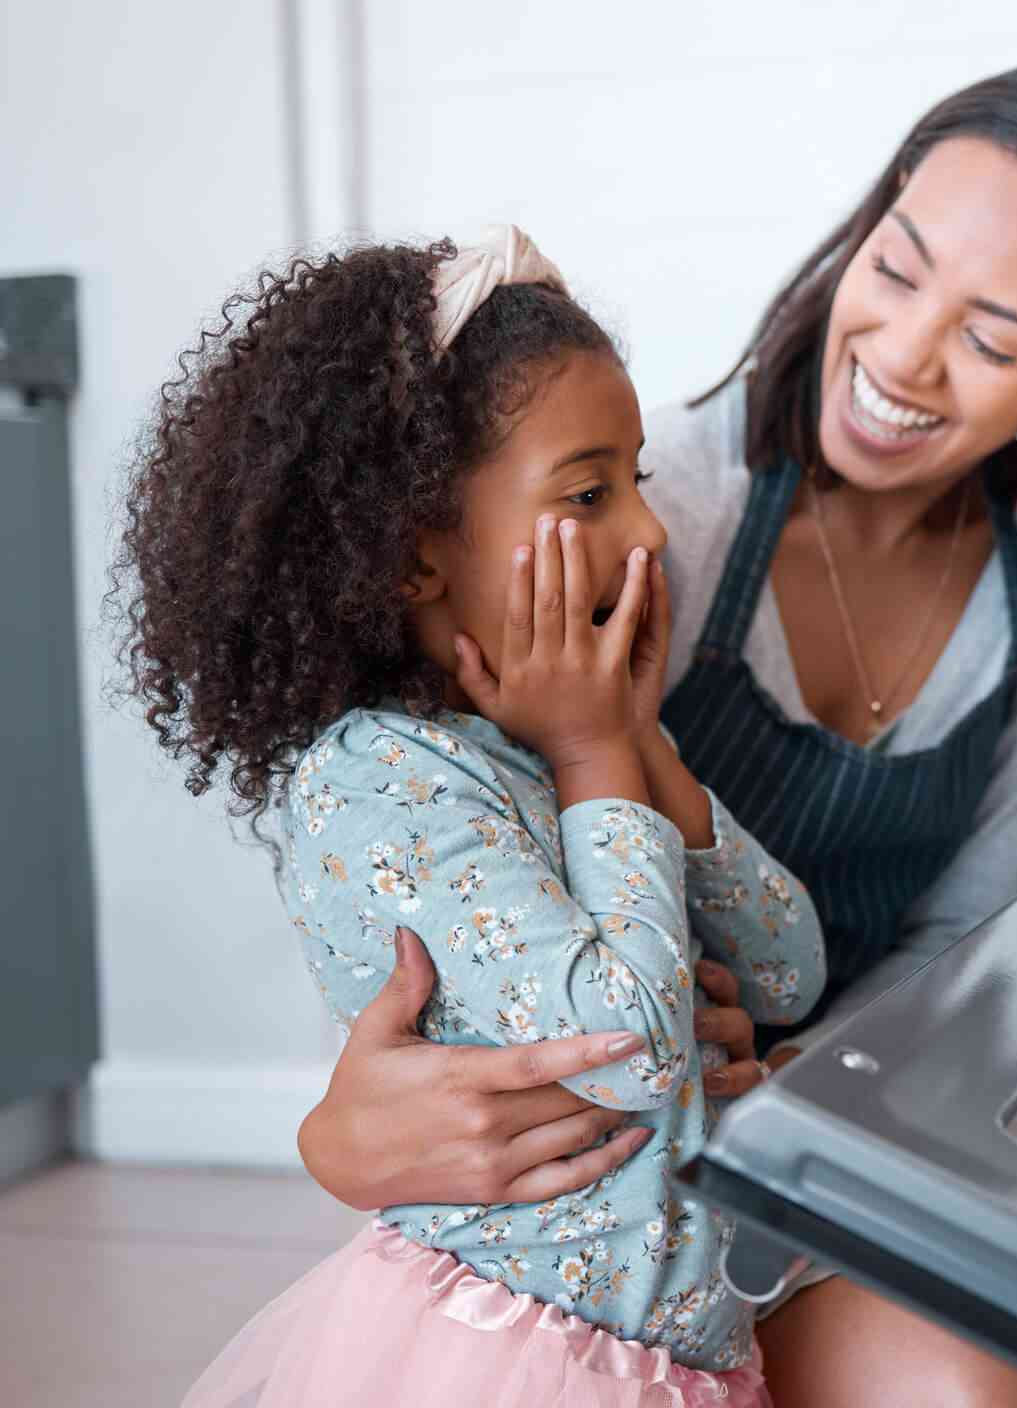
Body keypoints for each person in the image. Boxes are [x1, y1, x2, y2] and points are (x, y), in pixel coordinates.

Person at [294, 64, 1017, 1407]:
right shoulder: (664, 521)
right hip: (603, 1166)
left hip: (842, 1131)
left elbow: (961, 941)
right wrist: (336, 1133)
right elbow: (438, 879)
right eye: (896, 268)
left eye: (994, 339)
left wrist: (791, 1083)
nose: (896, 356)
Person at [114, 227, 826, 1406]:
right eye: (590, 492)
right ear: (409, 557)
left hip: (677, 1361)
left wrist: (639, 740)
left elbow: (787, 968)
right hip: (514, 1358)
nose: (648, 533)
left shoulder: (567, 741)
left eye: (637, 481)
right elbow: (634, 1051)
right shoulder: (377, 780)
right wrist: (600, 749)